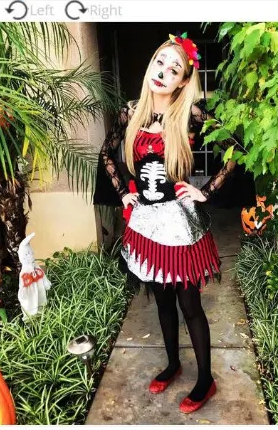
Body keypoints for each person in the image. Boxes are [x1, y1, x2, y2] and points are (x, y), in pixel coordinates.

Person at [98, 34, 238, 413]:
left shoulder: (190, 114)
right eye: (160, 62)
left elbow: (233, 150)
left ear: (183, 81)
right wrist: (122, 193)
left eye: (174, 69)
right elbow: (107, 153)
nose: (163, 72)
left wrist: (205, 191)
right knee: (161, 298)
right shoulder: (131, 112)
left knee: (189, 303)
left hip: (179, 223)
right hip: (145, 222)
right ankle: (174, 363)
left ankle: (205, 380)